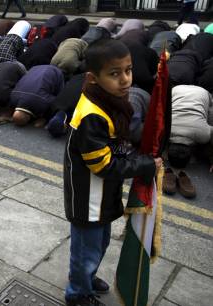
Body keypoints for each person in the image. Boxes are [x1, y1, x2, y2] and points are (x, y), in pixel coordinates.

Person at [63, 38, 161, 306]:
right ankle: (77, 293)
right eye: (114, 74)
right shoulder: (92, 114)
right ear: (93, 78)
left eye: (128, 70)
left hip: (102, 195)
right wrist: (144, 165)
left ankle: (86, 276)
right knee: (86, 249)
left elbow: (118, 145)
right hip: (88, 198)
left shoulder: (109, 99)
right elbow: (104, 165)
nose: (125, 79)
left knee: (99, 244)